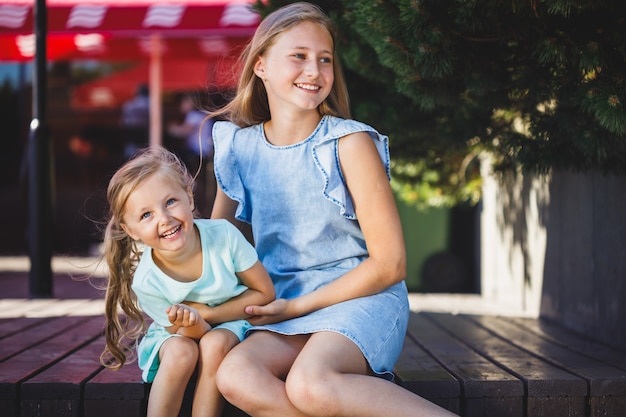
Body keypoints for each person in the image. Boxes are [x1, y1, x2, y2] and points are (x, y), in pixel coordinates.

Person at [208, 2, 458, 417]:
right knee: (236, 376)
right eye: (299, 56)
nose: (315, 70)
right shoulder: (238, 147)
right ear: (260, 66)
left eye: (325, 59)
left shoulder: (349, 143)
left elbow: (390, 265)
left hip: (361, 298)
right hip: (282, 303)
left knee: (310, 384)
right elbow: (216, 248)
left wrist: (298, 308)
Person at [99, 146, 275, 417]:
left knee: (214, 344)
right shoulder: (147, 281)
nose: (165, 218)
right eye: (146, 215)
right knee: (181, 353)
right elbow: (188, 335)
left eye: (170, 202)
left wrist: (206, 313)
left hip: (235, 319)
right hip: (181, 334)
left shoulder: (224, 237)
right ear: (130, 230)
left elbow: (264, 293)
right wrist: (194, 322)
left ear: (189, 198)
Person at [168, 93, 216, 217]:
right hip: (204, 153)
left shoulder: (193, 116)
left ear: (191, 103)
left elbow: (183, 132)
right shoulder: (203, 116)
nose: (182, 105)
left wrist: (171, 129)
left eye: (185, 102)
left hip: (196, 153)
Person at [120, 84, 150, 158]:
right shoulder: (152, 103)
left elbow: (123, 120)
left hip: (131, 132)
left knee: (131, 150)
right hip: (145, 133)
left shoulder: (129, 104)